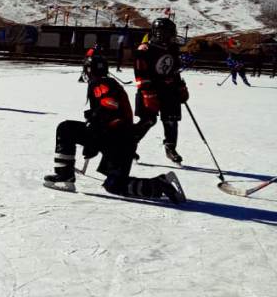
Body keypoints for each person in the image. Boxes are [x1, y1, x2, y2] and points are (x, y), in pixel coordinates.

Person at [44, 49, 185, 203]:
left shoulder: (100, 84)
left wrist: (93, 129)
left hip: (115, 138)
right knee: (115, 186)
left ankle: (64, 177)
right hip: (123, 141)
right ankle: (160, 184)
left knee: (65, 129)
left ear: (89, 70)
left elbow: (110, 105)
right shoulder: (110, 83)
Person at [133, 17, 189, 164]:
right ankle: (129, 145)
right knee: (148, 120)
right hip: (150, 90)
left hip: (169, 89)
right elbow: (140, 73)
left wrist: (181, 87)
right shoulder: (145, 50)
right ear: (160, 33)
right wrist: (147, 93)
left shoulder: (172, 48)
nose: (173, 35)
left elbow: (174, 70)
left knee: (171, 120)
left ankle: (170, 147)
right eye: (170, 32)